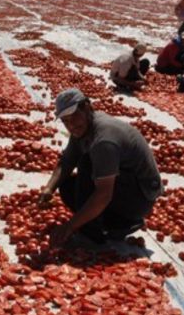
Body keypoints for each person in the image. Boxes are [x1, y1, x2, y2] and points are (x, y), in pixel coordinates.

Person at [40, 88, 162, 247]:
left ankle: (98, 232)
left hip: (140, 198)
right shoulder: (83, 128)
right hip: (125, 186)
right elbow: (68, 160)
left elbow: (104, 194)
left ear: (87, 107)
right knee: (67, 186)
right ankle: (115, 224)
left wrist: (70, 226)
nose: (71, 125)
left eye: (74, 116)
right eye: (65, 121)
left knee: (87, 163)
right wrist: (49, 188)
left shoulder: (103, 140)